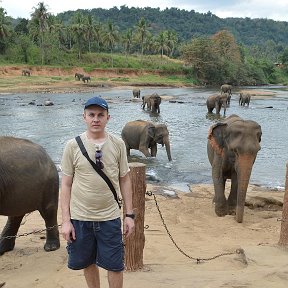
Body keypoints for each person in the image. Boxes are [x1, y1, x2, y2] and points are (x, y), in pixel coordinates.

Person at [60, 96, 135, 288]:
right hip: (80, 218)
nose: (96, 119)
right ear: (84, 117)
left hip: (109, 218)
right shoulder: (72, 145)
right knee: (88, 262)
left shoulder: (118, 144)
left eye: (100, 115)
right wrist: (66, 221)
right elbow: (66, 184)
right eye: (91, 115)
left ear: (108, 118)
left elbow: (125, 179)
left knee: (115, 265)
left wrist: (129, 215)